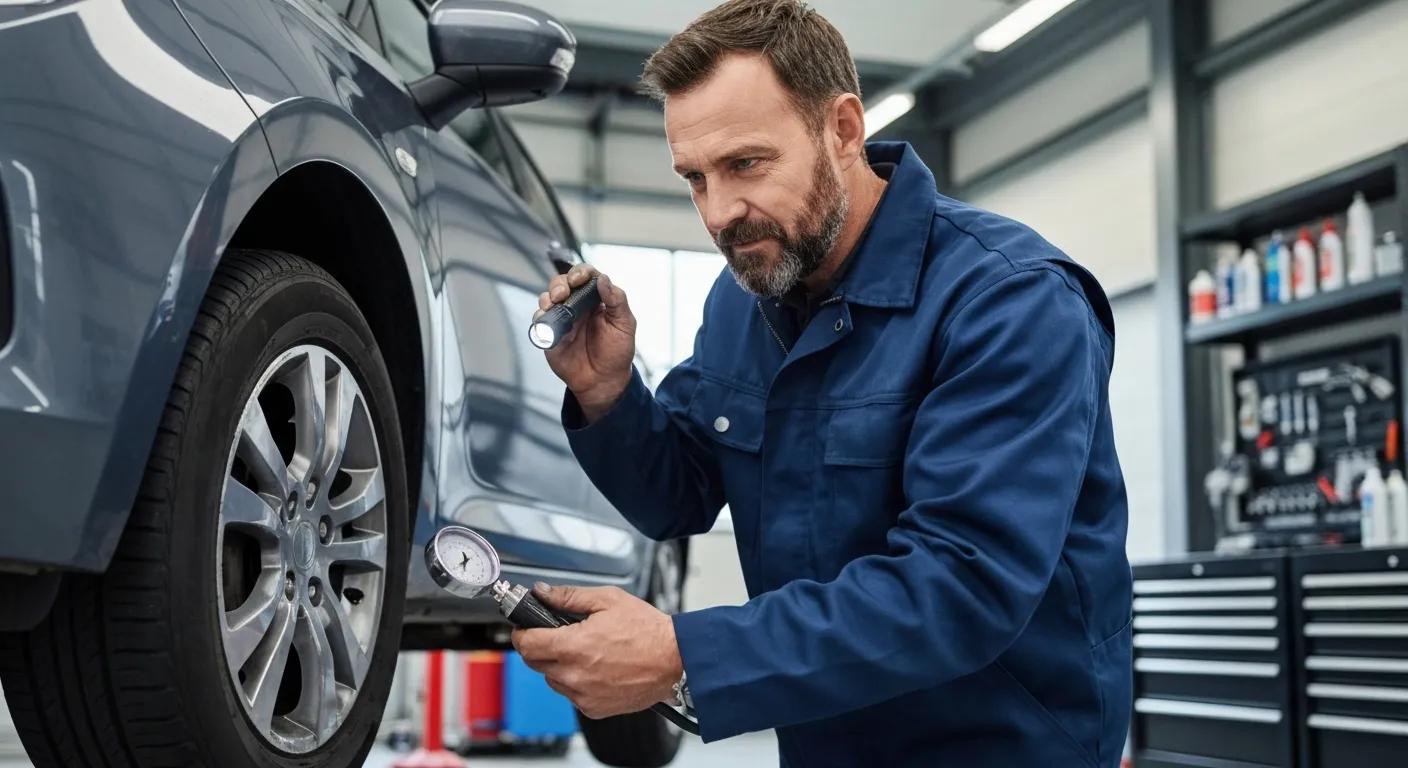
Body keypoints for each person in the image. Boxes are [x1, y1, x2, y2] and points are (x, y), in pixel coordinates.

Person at [512, 1, 1133, 764]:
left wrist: (684, 653)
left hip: (1002, 746)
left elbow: (965, 586)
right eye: (695, 178)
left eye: (746, 164)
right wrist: (607, 394)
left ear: (842, 129)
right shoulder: (744, 300)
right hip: (824, 742)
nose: (720, 213)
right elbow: (678, 495)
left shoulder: (1010, 300)